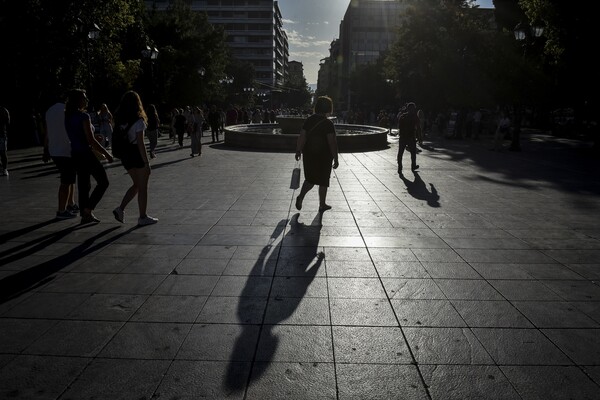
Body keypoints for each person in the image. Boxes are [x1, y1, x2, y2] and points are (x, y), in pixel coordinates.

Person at [64, 89, 113, 224]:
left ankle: (85, 214)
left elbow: (78, 136)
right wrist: (107, 153)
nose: (86, 100)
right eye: (84, 98)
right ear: (78, 100)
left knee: (84, 185)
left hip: (75, 154)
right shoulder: (83, 116)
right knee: (103, 182)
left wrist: (91, 137)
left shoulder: (68, 116)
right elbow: (90, 141)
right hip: (86, 154)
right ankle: (88, 209)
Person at [111, 90, 158, 227]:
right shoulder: (139, 121)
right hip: (136, 154)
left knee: (136, 185)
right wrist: (146, 162)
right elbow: (140, 143)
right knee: (143, 187)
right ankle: (142, 217)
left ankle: (120, 209)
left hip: (125, 156)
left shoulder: (120, 119)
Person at [294, 95, 339, 213]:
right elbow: (332, 142)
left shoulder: (309, 120)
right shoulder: (328, 123)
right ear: (329, 108)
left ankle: (301, 197)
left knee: (310, 179)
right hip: (324, 156)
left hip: (309, 154)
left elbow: (302, 136)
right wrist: (336, 157)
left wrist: (298, 150)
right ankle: (322, 204)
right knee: (324, 179)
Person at [43, 99, 79, 219]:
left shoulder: (49, 111)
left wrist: (46, 149)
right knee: (66, 182)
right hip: (66, 149)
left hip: (54, 150)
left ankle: (70, 203)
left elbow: (47, 131)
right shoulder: (68, 109)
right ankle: (61, 210)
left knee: (70, 179)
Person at [397, 102, 421, 173]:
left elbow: (399, 126)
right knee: (413, 153)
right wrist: (420, 137)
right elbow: (418, 127)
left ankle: (400, 167)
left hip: (403, 137)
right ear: (413, 109)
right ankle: (413, 165)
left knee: (400, 152)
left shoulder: (402, 116)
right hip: (411, 137)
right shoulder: (415, 116)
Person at [0, 106, 9, 176]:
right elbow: (8, 122)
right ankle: (4, 169)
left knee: (3, 153)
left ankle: (4, 169)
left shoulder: (4, 110)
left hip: (2, 134)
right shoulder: (4, 110)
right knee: (3, 152)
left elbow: (8, 121)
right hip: (2, 134)